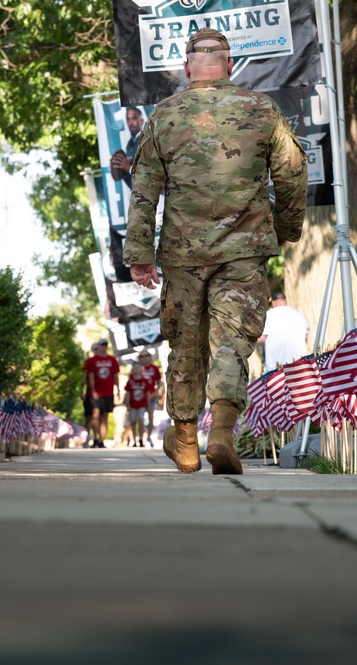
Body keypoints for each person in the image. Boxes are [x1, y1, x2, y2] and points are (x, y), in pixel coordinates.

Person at [124, 28, 308, 475]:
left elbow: (144, 189)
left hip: (183, 254)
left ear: (188, 69)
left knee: (185, 344)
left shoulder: (164, 115)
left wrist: (139, 254)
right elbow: (293, 174)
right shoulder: (261, 109)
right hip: (244, 250)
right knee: (232, 342)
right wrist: (286, 228)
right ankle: (222, 432)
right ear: (229, 66)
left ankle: (186, 440)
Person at [82, 338, 121, 448]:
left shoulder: (112, 360)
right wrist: (93, 391)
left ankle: (101, 441)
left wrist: (118, 390)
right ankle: (95, 438)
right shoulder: (91, 361)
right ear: (98, 346)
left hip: (108, 392)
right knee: (95, 415)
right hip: (95, 393)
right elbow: (90, 377)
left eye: (105, 344)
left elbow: (115, 376)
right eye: (101, 344)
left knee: (104, 416)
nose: (103, 346)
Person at [258, 291, 309, 372]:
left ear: (273, 302)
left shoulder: (269, 315)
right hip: (298, 366)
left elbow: (260, 339)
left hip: (275, 369)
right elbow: (306, 338)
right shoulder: (299, 315)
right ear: (285, 301)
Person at [109, 106, 145, 189]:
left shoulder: (146, 141)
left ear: (142, 121)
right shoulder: (129, 144)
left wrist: (129, 168)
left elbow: (150, 173)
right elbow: (132, 179)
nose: (131, 123)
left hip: (158, 196)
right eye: (128, 119)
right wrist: (120, 169)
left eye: (134, 118)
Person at [123, 362, 153, 447]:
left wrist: (148, 405)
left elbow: (147, 393)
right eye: (134, 368)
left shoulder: (145, 380)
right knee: (133, 422)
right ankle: (133, 440)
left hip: (142, 404)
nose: (136, 370)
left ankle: (140, 438)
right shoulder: (130, 380)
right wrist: (127, 403)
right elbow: (128, 393)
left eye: (138, 368)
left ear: (141, 369)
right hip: (133, 404)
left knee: (141, 420)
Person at [138, 349, 163, 446]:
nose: (144, 358)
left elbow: (159, 382)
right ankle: (140, 438)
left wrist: (156, 392)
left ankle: (148, 436)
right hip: (140, 397)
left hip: (151, 396)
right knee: (139, 418)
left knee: (150, 416)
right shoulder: (138, 368)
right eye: (142, 356)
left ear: (150, 357)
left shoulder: (154, 368)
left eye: (146, 355)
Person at [82, 342, 100, 446]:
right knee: (89, 417)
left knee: (97, 416)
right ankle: (87, 437)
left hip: (102, 394)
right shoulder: (88, 362)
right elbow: (84, 378)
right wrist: (82, 392)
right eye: (95, 349)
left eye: (98, 348)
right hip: (89, 394)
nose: (97, 350)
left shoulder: (107, 360)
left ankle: (97, 439)